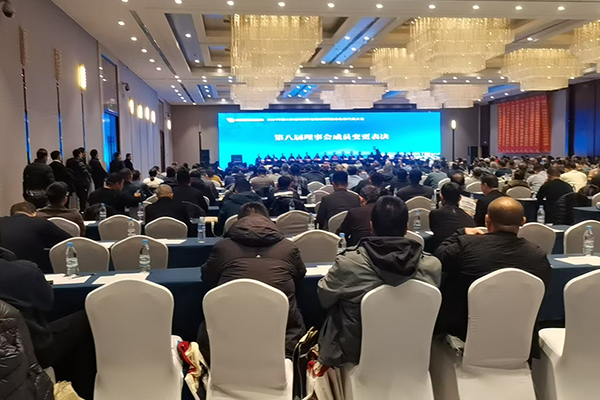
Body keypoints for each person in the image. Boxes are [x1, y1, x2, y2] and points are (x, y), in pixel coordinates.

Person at [317, 196, 441, 367]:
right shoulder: (431, 265)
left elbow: (324, 299)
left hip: (355, 354)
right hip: (413, 350)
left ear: (371, 227)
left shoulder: (349, 263)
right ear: (407, 228)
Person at [199, 202, 306, 362]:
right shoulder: (288, 247)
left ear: (239, 221)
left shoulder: (223, 247)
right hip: (283, 337)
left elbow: (208, 278)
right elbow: (299, 277)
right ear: (269, 220)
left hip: (225, 337)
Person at [434, 197, 551, 341]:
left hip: (465, 335)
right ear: (523, 221)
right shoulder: (538, 256)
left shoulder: (466, 246)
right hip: (519, 339)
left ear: (487, 220)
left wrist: (460, 232)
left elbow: (439, 258)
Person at [0, 202, 71, 273]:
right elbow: (70, 240)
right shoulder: (41, 223)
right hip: (34, 271)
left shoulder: (2, 222)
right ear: (34, 213)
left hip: (4, 271)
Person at [430, 182, 476, 249]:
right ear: (460, 198)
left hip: (443, 251)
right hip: (466, 251)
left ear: (441, 197)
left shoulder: (435, 213)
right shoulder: (469, 217)